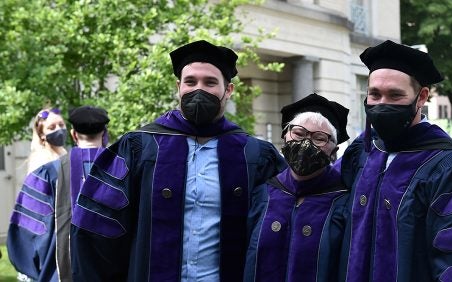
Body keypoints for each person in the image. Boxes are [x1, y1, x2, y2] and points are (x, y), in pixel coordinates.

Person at [70, 40, 286, 282]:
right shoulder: (139, 147)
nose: (199, 90)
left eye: (210, 82)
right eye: (190, 82)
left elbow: (278, 231)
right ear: (178, 87)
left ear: (229, 90)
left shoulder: (255, 155)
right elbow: (95, 231)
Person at [338, 40, 452, 281]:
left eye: (395, 95)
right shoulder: (362, 152)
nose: (382, 104)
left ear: (421, 96)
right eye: (374, 94)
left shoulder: (451, 169)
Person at [244, 93, 350, 282]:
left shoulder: (343, 203)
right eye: (299, 133)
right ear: (285, 137)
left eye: (319, 138)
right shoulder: (263, 195)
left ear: (333, 151)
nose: (305, 143)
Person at [7, 106, 110, 282]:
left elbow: (27, 236)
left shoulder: (46, 174)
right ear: (105, 133)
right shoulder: (126, 171)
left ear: (74, 134)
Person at [27, 108, 68, 173]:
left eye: (61, 125)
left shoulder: (64, 153)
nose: (59, 130)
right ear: (41, 135)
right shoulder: (41, 161)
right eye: (52, 128)